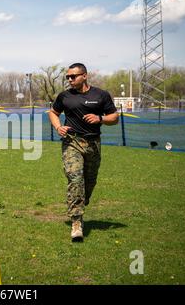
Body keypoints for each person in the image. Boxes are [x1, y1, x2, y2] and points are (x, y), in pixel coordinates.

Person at [48, 63, 119, 241]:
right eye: (68, 77)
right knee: (75, 178)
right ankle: (76, 222)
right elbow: (53, 112)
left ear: (85, 76)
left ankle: (81, 199)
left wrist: (100, 118)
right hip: (72, 142)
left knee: (89, 181)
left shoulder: (100, 95)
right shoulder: (64, 96)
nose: (70, 80)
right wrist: (58, 127)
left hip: (93, 143)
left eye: (74, 76)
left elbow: (114, 117)